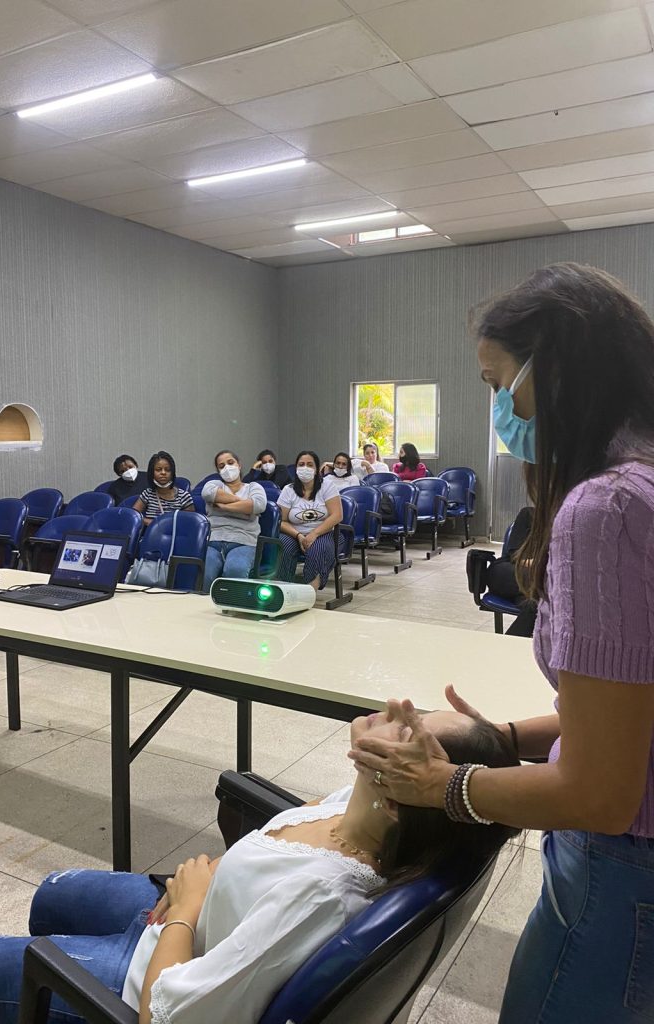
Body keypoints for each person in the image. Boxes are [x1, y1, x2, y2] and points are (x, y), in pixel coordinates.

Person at [349, 263, 654, 1024]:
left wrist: (443, 786)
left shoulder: (608, 509)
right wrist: (502, 738)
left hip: (625, 878)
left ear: (553, 369)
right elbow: (631, 716)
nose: (500, 409)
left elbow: (601, 795)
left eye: (497, 383)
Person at [0, 705, 519, 1024]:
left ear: (400, 797)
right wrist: (212, 883)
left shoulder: (319, 897)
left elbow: (166, 1016)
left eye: (409, 729)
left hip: (160, 973)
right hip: (196, 915)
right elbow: (282, 844)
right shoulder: (360, 805)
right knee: (51, 894)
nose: (394, 707)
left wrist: (186, 910)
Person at [201, 450, 267, 591]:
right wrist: (244, 504)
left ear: (239, 465)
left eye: (230, 463)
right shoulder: (215, 484)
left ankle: (232, 603)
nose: (227, 467)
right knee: (205, 573)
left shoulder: (253, 487)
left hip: (244, 541)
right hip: (213, 541)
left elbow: (258, 505)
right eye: (221, 466)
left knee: (235, 570)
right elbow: (207, 493)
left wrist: (224, 506)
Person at [277, 451, 342, 591]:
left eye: (310, 465)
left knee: (318, 550)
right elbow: (281, 520)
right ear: (296, 468)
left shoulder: (327, 486)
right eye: (301, 464)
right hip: (294, 534)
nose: (305, 468)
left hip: (323, 533)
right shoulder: (288, 490)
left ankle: (310, 591)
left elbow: (337, 515)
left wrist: (314, 534)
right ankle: (284, 590)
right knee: (283, 547)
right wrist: (298, 535)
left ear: (317, 469)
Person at [482, 506, 536, 638]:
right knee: (546, 585)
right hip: (511, 570)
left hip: (537, 584)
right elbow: (516, 556)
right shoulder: (529, 514)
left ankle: (504, 647)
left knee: (534, 604)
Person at [133, 452, 195, 526]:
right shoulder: (147, 494)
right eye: (158, 470)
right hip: (152, 532)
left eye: (167, 470)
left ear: (172, 473)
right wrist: (150, 522)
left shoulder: (184, 496)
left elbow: (190, 523)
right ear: (152, 473)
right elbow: (133, 516)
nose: (163, 473)